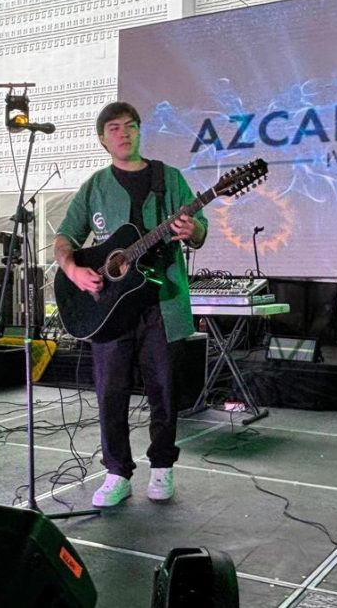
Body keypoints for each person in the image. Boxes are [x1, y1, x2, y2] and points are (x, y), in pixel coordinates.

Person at [54, 101, 206, 507]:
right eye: (115, 128)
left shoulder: (168, 178)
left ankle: (162, 468)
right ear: (104, 140)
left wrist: (193, 230)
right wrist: (73, 271)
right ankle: (117, 472)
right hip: (108, 310)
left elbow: (200, 232)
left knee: (164, 392)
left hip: (162, 301)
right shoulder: (95, 186)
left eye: (131, 126)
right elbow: (65, 237)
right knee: (111, 392)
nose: (124, 133)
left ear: (140, 132)